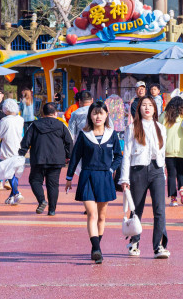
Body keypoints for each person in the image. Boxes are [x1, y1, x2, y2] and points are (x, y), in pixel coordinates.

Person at [66, 100, 123, 264]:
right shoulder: (84, 135)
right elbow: (75, 157)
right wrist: (69, 177)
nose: (98, 116)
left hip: (105, 177)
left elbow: (119, 156)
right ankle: (96, 248)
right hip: (87, 176)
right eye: (95, 113)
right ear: (90, 116)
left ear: (106, 115)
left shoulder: (112, 134)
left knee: (102, 216)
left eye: (101, 113)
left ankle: (95, 246)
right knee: (92, 213)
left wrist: (111, 170)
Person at [120, 95, 170, 259]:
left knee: (159, 210)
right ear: (139, 109)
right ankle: (134, 243)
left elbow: (163, 153)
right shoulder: (132, 128)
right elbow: (126, 154)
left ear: (155, 109)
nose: (147, 108)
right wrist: (124, 178)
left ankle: (159, 246)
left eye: (150, 105)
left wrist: (163, 173)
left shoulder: (160, 128)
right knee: (136, 209)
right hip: (138, 170)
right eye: (144, 105)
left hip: (157, 170)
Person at [19, 101, 74, 215]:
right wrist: (68, 156)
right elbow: (69, 142)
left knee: (35, 180)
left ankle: (42, 200)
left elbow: (26, 141)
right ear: (55, 113)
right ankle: (52, 210)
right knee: (53, 185)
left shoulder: (35, 125)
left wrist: (21, 153)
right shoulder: (61, 125)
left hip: (39, 158)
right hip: (56, 159)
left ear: (43, 113)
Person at [0, 98, 26, 205]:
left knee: (9, 173)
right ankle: (12, 196)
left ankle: (17, 193)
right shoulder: (20, 119)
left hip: (8, 148)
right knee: (14, 172)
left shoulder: (4, 121)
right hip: (19, 146)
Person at [161, 96, 183, 206]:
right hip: (182, 149)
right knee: (181, 172)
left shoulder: (164, 115)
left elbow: (159, 129)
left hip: (168, 149)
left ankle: (173, 198)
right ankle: (182, 187)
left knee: (171, 174)